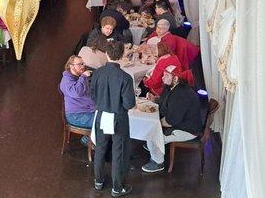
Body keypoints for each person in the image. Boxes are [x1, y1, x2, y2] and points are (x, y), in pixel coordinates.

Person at [91, 41, 135, 196]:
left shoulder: (97, 73)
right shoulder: (125, 77)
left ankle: (98, 181)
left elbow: (93, 96)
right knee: (118, 151)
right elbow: (129, 104)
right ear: (122, 54)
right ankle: (117, 187)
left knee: (100, 149)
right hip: (118, 117)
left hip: (102, 115)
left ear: (106, 54)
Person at [141, 65, 203, 173]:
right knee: (152, 128)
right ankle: (155, 148)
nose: (162, 77)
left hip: (188, 130)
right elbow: (165, 102)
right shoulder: (171, 87)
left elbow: (171, 120)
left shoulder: (182, 94)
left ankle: (157, 162)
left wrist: (155, 125)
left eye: (166, 75)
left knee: (152, 134)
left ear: (176, 78)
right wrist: (155, 99)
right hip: (179, 123)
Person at [59, 55, 96, 146]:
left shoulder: (78, 77)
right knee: (102, 122)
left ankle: (96, 141)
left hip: (87, 111)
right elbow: (77, 93)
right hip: (76, 115)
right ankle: (88, 140)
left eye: (83, 64)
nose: (83, 66)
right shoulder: (66, 80)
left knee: (108, 118)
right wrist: (83, 77)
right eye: (79, 64)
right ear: (71, 66)